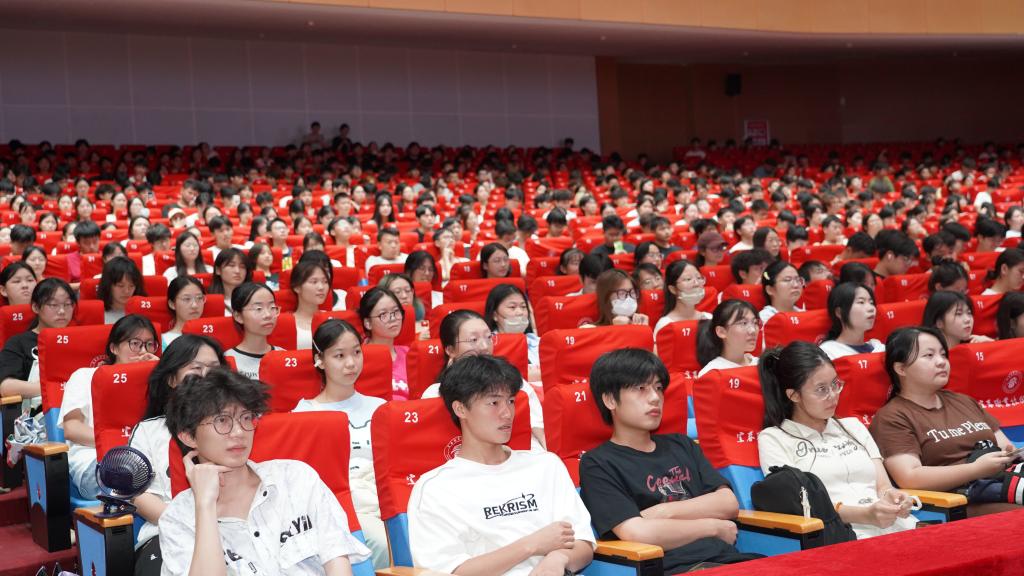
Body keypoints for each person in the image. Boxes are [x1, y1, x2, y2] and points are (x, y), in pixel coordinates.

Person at [161, 368, 371, 576]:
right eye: (222, 421)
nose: (239, 432)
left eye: (246, 418)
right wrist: (205, 505)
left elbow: (338, 563)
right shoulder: (178, 519)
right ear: (188, 436)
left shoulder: (297, 478)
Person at [407, 354, 595, 575]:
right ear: (461, 409)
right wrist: (531, 545)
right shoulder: (435, 488)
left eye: (511, 401)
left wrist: (558, 558)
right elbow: (452, 571)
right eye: (493, 403)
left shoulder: (546, 465)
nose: (507, 413)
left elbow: (583, 542)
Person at [580, 348, 760, 573]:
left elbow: (728, 503)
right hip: (675, 568)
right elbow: (637, 532)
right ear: (610, 400)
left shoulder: (682, 444)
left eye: (658, 388)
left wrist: (661, 513)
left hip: (731, 561)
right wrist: (712, 527)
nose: (655, 398)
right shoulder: (598, 464)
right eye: (641, 388)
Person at [757, 341, 917, 539]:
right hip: (841, 535)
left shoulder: (853, 427)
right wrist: (866, 515)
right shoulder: (773, 439)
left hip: (894, 525)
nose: (833, 395)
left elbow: (882, 487)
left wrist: (893, 497)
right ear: (794, 395)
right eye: (821, 389)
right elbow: (802, 508)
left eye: (835, 384)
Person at [870, 326, 1022, 515]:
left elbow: (1007, 447)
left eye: (943, 354)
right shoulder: (892, 417)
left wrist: (1012, 454)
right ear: (901, 368)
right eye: (929, 355)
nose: (941, 362)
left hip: (1006, 481)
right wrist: (975, 469)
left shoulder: (963, 401)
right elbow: (910, 477)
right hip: (964, 501)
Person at [293, 319, 388, 568]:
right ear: (320, 360)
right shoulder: (304, 414)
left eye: (356, 352)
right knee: (381, 541)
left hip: (383, 494)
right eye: (339, 355)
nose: (351, 363)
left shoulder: (380, 407)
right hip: (342, 503)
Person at [129, 335, 227, 576]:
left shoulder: (238, 428)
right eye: (196, 369)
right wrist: (189, 524)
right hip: (167, 531)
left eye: (214, 369)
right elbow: (138, 495)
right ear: (172, 379)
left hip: (232, 530)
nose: (206, 377)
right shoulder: (150, 431)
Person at [58, 315, 159, 498]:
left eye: (149, 344)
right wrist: (124, 446)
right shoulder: (85, 376)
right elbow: (72, 428)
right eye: (135, 344)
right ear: (114, 348)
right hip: (96, 458)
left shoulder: (156, 382)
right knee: (132, 475)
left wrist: (159, 373)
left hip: (149, 459)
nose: (143, 351)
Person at [0, 278, 76, 403]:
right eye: (53, 305)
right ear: (35, 307)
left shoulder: (80, 340)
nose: (62, 311)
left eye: (67, 304)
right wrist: (56, 387)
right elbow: (6, 387)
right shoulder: (18, 343)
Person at [358, 287, 409, 401]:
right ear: (368, 323)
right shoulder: (357, 357)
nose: (392, 318)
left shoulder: (409, 354)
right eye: (383, 314)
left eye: (396, 311)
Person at [225, 282, 282, 380]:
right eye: (258, 309)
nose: (268, 315)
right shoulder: (227, 361)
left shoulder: (285, 357)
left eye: (272, 307)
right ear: (238, 316)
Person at [484, 284, 541, 381]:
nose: (520, 312)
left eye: (523, 307)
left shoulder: (539, 343)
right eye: (512, 307)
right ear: (495, 315)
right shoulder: (486, 347)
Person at [818, 282, 885, 360]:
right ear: (839, 312)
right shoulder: (828, 353)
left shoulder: (879, 348)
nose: (871, 308)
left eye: (871, 303)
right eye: (861, 302)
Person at [696, 299, 760, 378]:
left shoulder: (763, 365)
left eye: (755, 322)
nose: (753, 330)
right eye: (744, 323)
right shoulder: (711, 373)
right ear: (721, 332)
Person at [654, 260, 711, 335]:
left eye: (699, 278)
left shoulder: (709, 318)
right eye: (688, 279)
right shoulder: (665, 325)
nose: (696, 283)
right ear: (673, 289)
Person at [922, 290, 993, 347]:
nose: (967, 320)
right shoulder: (924, 354)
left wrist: (992, 345)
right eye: (959, 314)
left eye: (969, 313)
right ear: (939, 322)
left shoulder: (974, 347)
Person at [584, 269, 649, 327]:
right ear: (606, 297)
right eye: (622, 293)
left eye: (632, 292)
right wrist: (617, 328)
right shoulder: (589, 329)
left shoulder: (642, 324)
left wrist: (644, 330)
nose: (629, 298)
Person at [290, 260, 330, 349]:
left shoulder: (332, 318)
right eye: (314, 282)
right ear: (297, 287)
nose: (321, 287)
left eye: (325, 282)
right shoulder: (286, 323)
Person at [378, 272, 428, 339]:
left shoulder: (424, 326)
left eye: (407, 291)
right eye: (397, 292)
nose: (404, 296)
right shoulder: (379, 328)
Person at [97, 256, 146, 324]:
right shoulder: (98, 315)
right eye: (120, 286)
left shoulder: (144, 312)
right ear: (108, 285)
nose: (126, 291)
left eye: (131, 286)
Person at [163, 276, 207, 350]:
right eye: (187, 299)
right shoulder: (163, 340)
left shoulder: (213, 336)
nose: (194, 305)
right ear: (172, 304)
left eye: (199, 298)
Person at [208, 248, 251, 314]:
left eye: (242, 267)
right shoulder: (208, 301)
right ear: (218, 270)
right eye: (231, 265)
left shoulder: (254, 298)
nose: (237, 271)